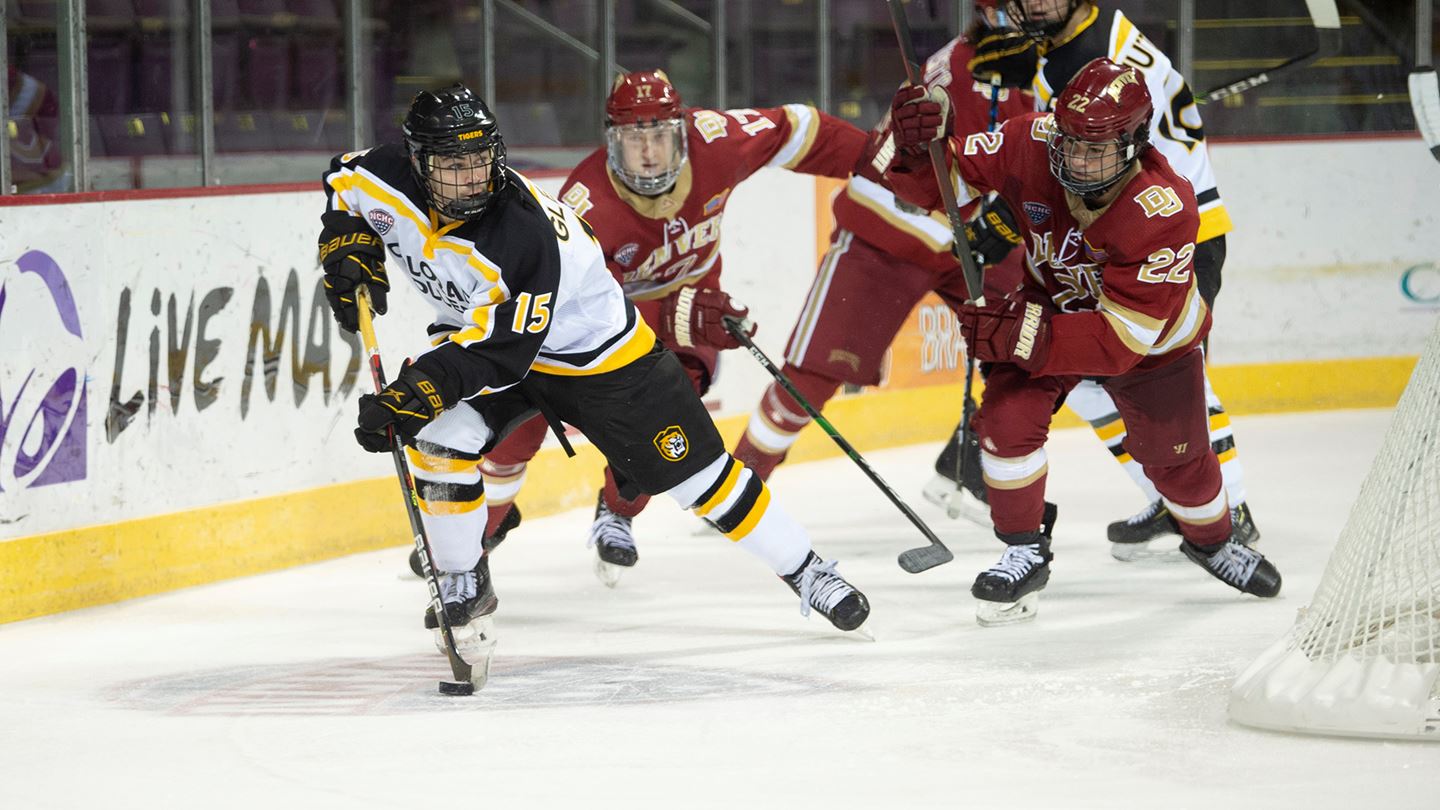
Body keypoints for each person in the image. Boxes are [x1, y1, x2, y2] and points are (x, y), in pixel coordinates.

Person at [320, 86, 872, 669]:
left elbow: (500, 351)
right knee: (438, 440)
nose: (473, 179)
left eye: (482, 160)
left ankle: (807, 570)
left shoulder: (521, 236)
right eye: (455, 165)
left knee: (703, 481)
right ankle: (463, 579)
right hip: (496, 344)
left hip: (601, 360)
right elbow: (341, 183)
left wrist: (416, 392)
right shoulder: (383, 175)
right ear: (417, 162)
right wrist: (347, 243)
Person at [885, 58, 1282, 625]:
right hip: (1053, 308)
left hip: (1153, 342)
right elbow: (939, 185)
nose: (1077, 159)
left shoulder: (1163, 208)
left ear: (1135, 142)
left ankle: (1213, 542)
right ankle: (1024, 548)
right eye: (1070, 143)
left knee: (1178, 464)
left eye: (1096, 149)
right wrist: (920, 140)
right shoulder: (1033, 139)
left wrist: (1016, 335)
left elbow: (1119, 344)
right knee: (1003, 422)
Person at [472, 70, 869, 586]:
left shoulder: (718, 142)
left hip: (690, 310)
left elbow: (803, 129)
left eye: (660, 136)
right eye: (635, 139)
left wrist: (884, 161)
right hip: (593, 331)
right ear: (612, 142)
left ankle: (617, 511)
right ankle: (480, 532)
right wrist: (684, 313)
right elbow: (584, 315)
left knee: (660, 426)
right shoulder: (584, 208)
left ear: (682, 130)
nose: (650, 153)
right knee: (515, 432)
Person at [925, 0, 1259, 560]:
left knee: (1169, 370)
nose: (1034, 4)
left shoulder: (1094, 60)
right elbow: (1065, 161)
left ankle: (1234, 503)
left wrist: (1007, 221)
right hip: (1106, 222)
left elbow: (1103, 164)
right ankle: (1166, 492)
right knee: (1079, 373)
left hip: (1170, 228)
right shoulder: (1068, 42)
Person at [730, 3, 1036, 515]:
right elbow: (1003, 160)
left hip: (972, 231)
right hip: (892, 228)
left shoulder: (1029, 63)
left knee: (1027, 344)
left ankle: (970, 460)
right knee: (814, 374)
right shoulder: (977, 68)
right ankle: (738, 485)